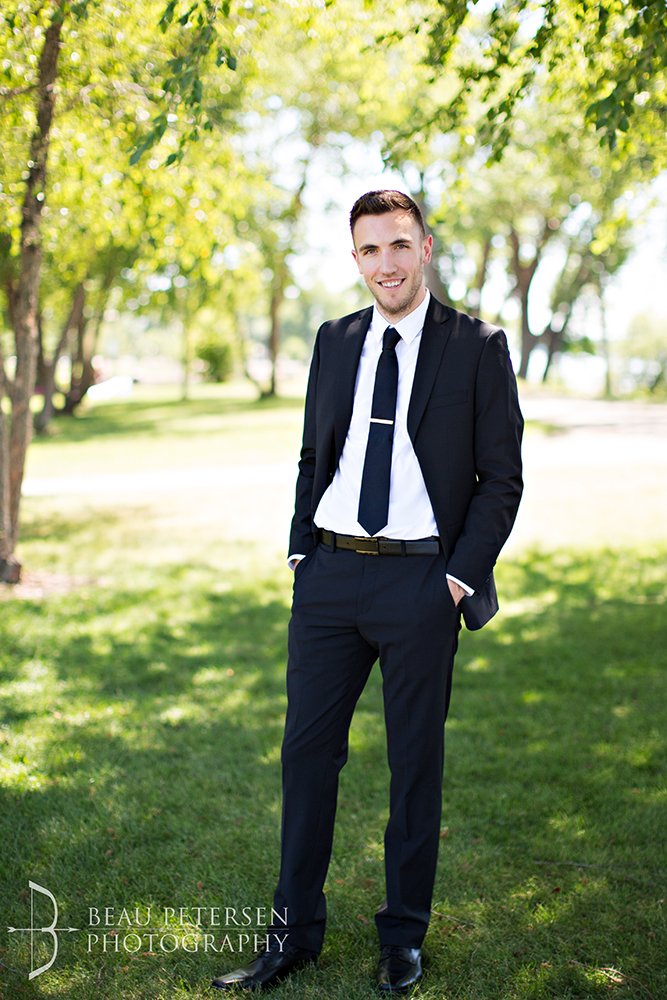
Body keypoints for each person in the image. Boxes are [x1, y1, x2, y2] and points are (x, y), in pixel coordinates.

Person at [212, 190, 523, 994]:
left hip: (422, 582)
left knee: (414, 764)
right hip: (329, 577)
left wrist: (454, 579)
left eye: (397, 245)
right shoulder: (334, 339)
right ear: (355, 258)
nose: (385, 264)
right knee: (305, 759)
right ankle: (291, 937)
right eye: (369, 250)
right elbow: (313, 453)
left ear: (425, 247)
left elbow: (500, 478)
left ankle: (402, 937)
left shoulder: (476, 346)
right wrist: (299, 551)